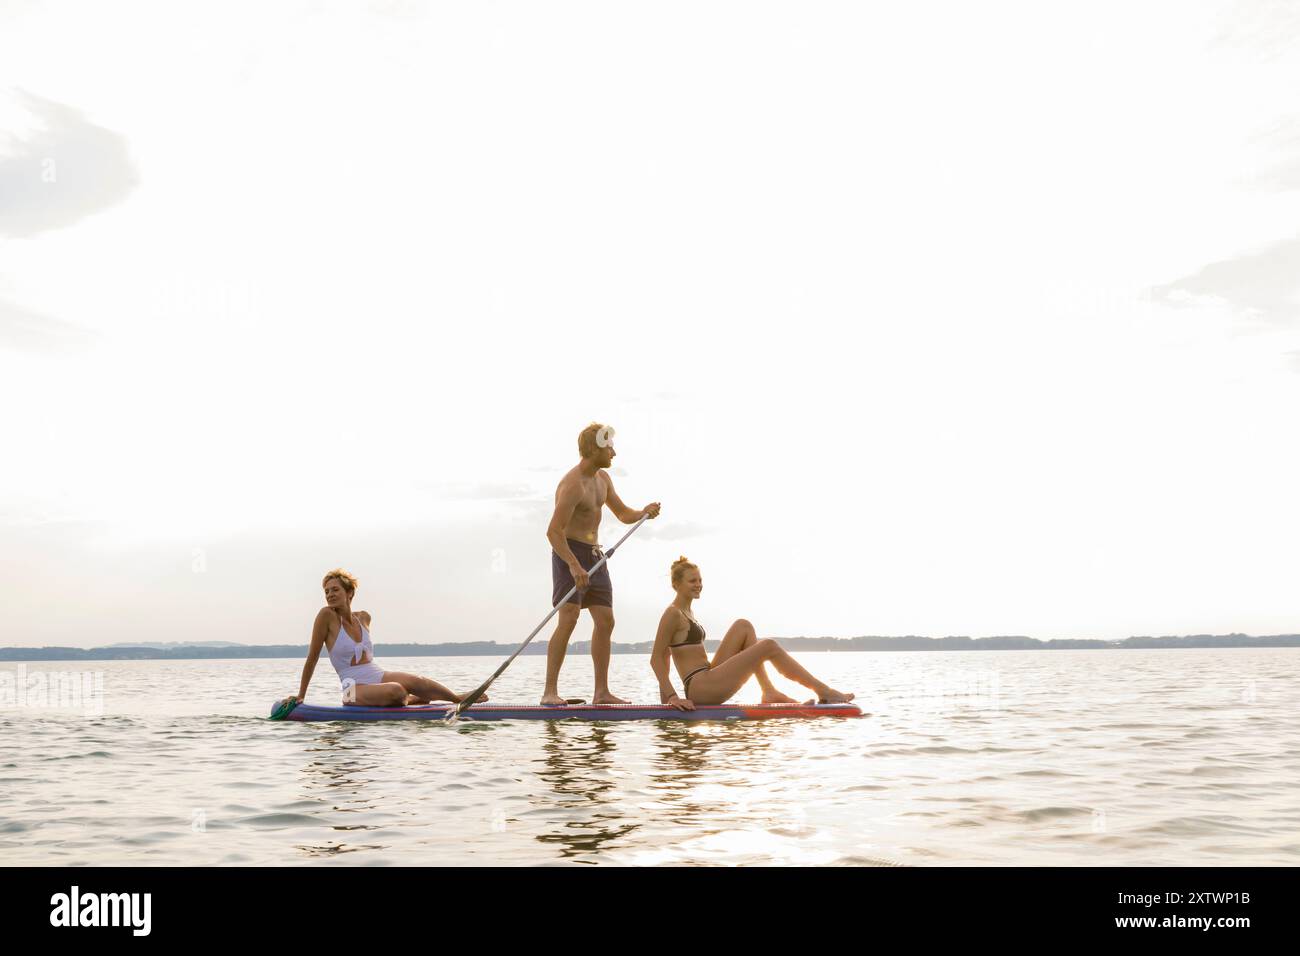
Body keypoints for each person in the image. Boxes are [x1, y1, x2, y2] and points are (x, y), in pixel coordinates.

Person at [542, 422, 660, 706]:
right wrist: (573, 564)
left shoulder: (603, 479)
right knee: (568, 619)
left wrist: (643, 512)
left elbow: (622, 513)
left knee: (606, 621)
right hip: (568, 554)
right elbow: (553, 531)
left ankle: (601, 692)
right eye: (610, 448)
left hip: (595, 555)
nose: (614, 453)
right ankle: (549, 692)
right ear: (594, 448)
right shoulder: (572, 484)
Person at [650, 556, 854, 707]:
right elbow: (657, 658)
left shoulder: (688, 611)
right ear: (676, 585)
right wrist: (671, 698)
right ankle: (824, 691)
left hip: (708, 677)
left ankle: (768, 691)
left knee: (743, 626)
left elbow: (668, 655)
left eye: (700, 580)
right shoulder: (672, 614)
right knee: (768, 646)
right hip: (701, 688)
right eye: (692, 581)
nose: (699, 585)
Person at [288, 569, 482, 707]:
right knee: (396, 690)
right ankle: (412, 700)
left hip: (377, 675)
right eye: (326, 591)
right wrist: (301, 696)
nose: (329, 594)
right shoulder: (326, 616)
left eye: (335, 589)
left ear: (350, 593)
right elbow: (312, 659)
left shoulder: (363, 617)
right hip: (351, 688)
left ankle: (458, 699)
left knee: (419, 681)